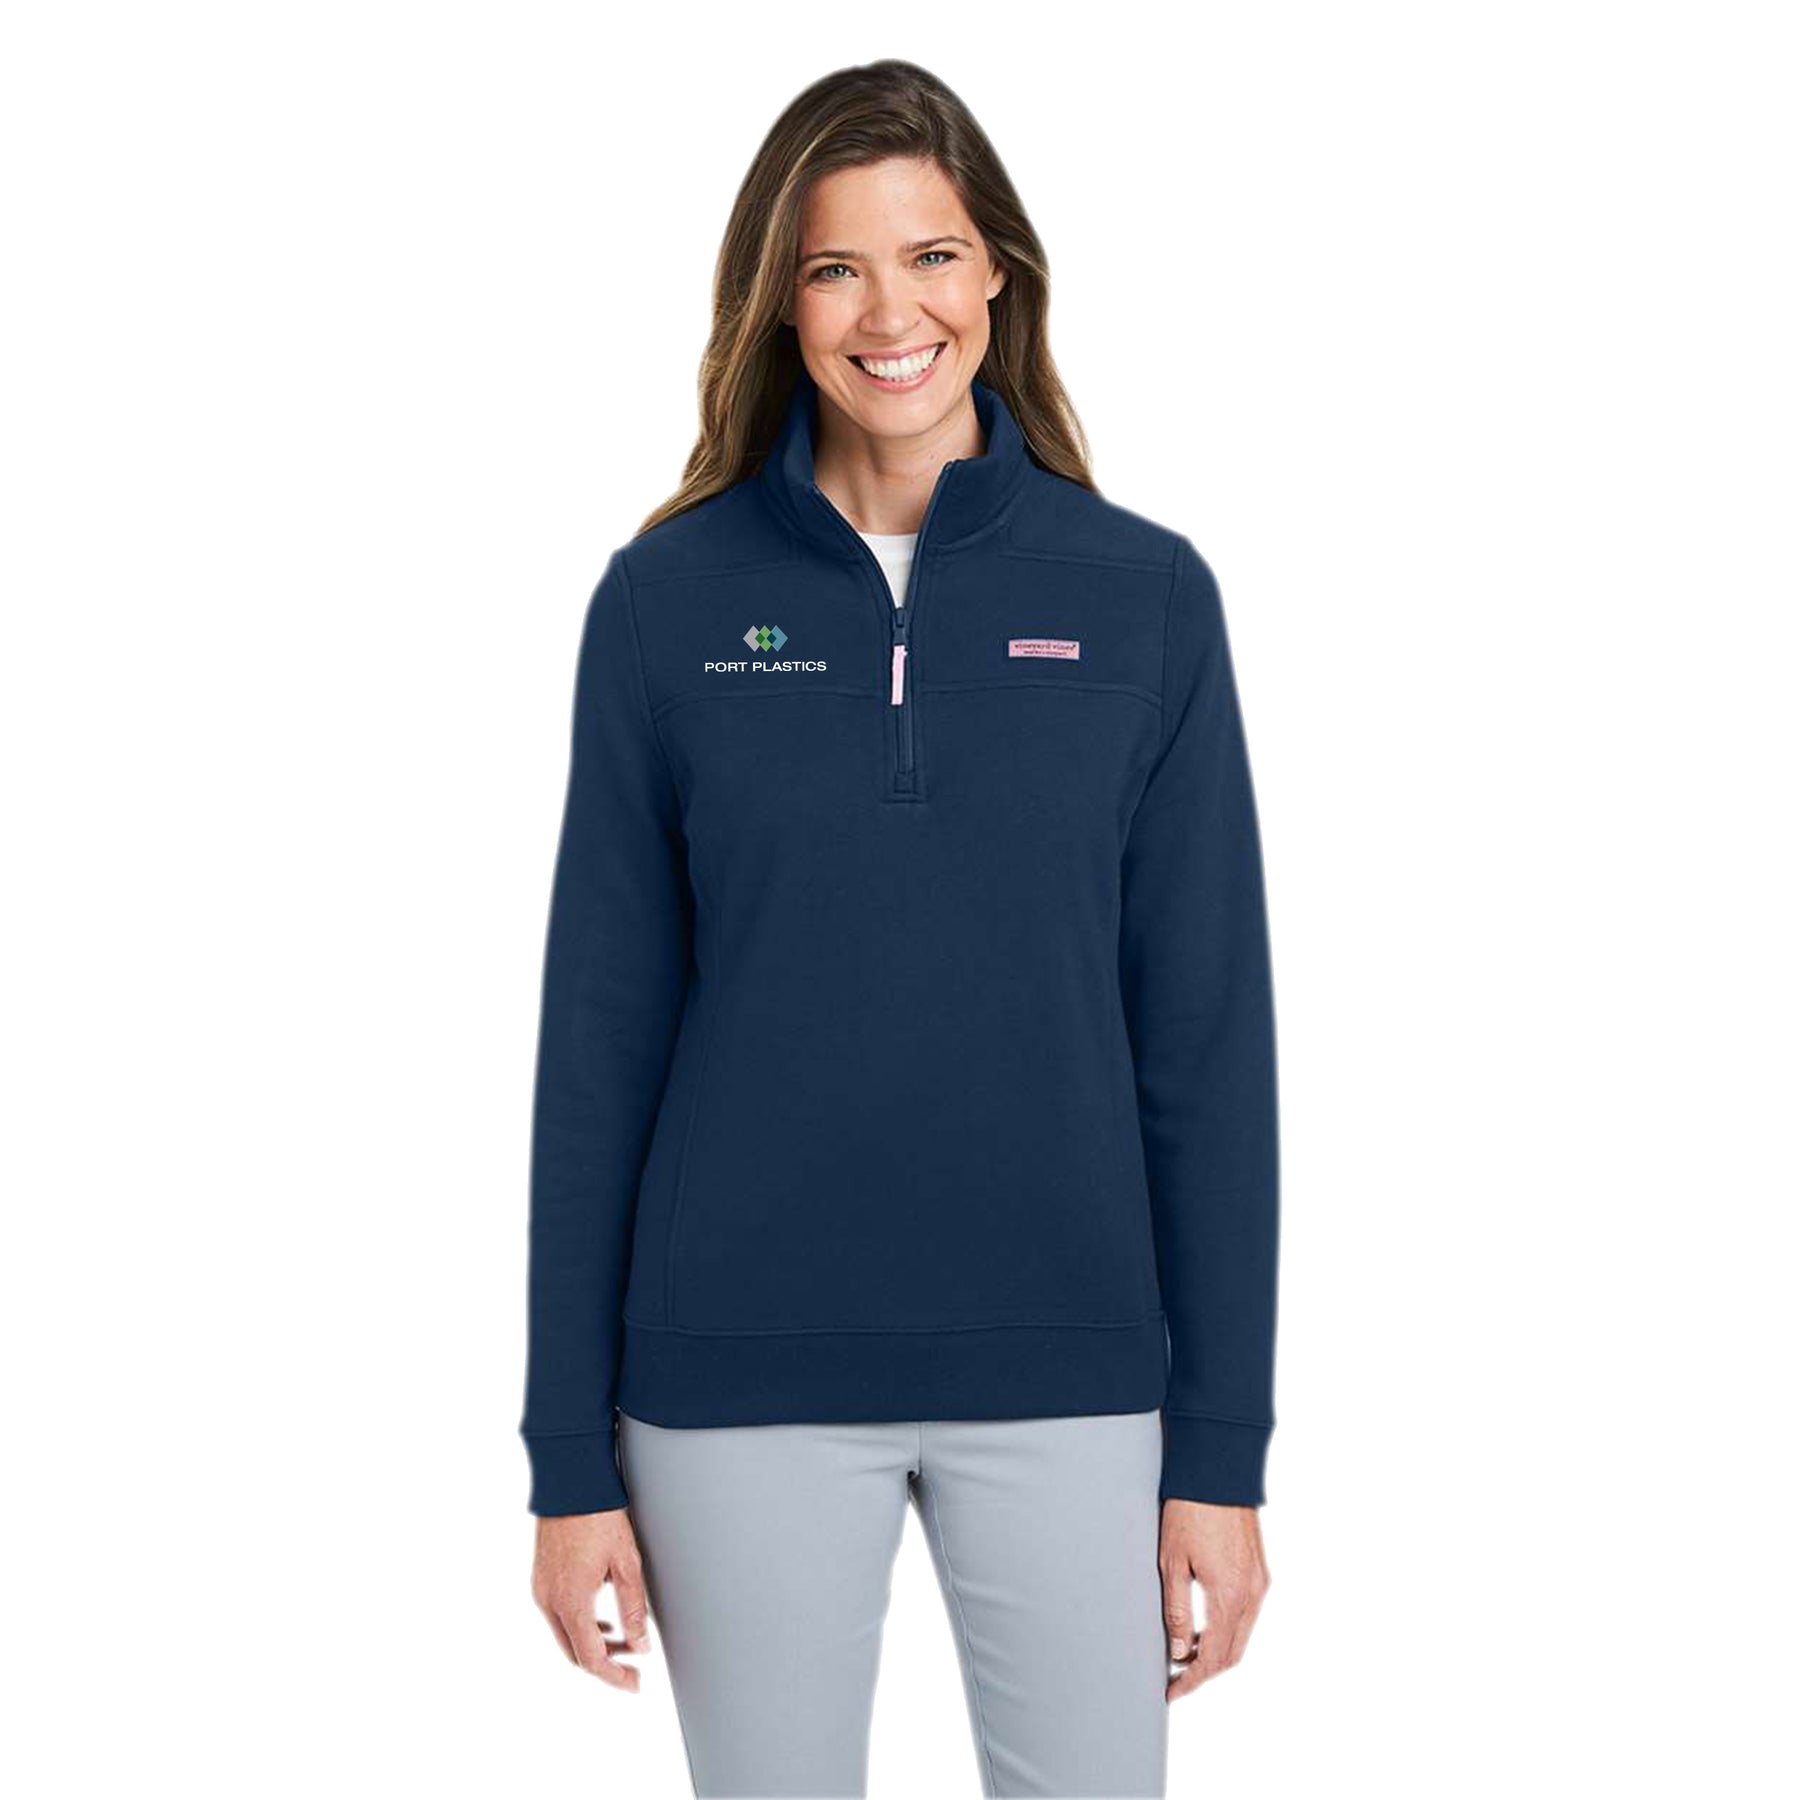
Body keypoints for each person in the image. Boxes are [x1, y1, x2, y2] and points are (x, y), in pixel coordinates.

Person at [522, 57, 1280, 1800]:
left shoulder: (1146, 600)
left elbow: (1206, 1052)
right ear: (778, 301)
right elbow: (598, 1049)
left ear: (995, 274)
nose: (890, 315)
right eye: (835, 268)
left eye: (931, 257)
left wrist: (1222, 1454)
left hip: (1074, 1373)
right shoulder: (665, 605)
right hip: (734, 1383)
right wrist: (569, 1461)